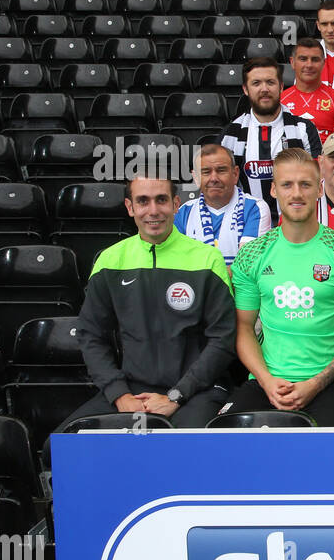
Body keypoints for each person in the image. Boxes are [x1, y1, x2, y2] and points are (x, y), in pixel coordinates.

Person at [56, 176, 236, 443]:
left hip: (197, 390)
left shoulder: (207, 259)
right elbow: (91, 334)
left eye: (161, 200)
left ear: (176, 204)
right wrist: (119, 394)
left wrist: (176, 395)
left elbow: (223, 338)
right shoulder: (110, 260)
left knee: (184, 450)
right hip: (132, 391)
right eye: (143, 201)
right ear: (130, 207)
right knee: (62, 446)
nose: (153, 210)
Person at [225, 148, 334, 425]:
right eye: (287, 185)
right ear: (274, 190)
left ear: (319, 189)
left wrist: (315, 383)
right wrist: (266, 381)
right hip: (267, 381)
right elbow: (244, 328)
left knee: (327, 443)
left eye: (305, 184)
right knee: (227, 434)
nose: (297, 194)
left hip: (331, 383)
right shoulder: (252, 255)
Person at [220, 57, 322, 206]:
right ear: (246, 89)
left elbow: (317, 180)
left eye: (270, 82)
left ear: (281, 87)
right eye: (256, 83)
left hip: (294, 216)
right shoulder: (231, 134)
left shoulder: (304, 129)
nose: (264, 89)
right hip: (248, 217)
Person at [174, 144, 271, 266]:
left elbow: (246, 266)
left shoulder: (255, 208)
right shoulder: (183, 212)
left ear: (235, 174)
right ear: (196, 178)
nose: (214, 178)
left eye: (221, 171)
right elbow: (178, 263)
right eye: (206, 172)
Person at [280, 38, 334, 143]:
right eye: (303, 59)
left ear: (323, 63)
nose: (309, 65)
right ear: (292, 62)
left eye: (315, 60)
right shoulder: (279, 102)